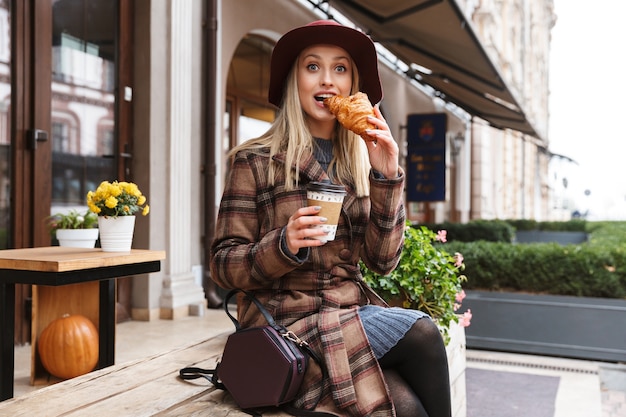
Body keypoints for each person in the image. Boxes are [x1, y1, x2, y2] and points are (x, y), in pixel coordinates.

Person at [210, 20, 452, 417]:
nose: (327, 81)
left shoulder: (360, 162)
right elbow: (223, 266)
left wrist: (387, 176)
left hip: (348, 315)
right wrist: (283, 245)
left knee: (406, 408)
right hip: (284, 322)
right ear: (294, 80)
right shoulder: (253, 160)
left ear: (352, 85)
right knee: (422, 331)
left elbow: (383, 262)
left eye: (340, 69)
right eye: (312, 67)